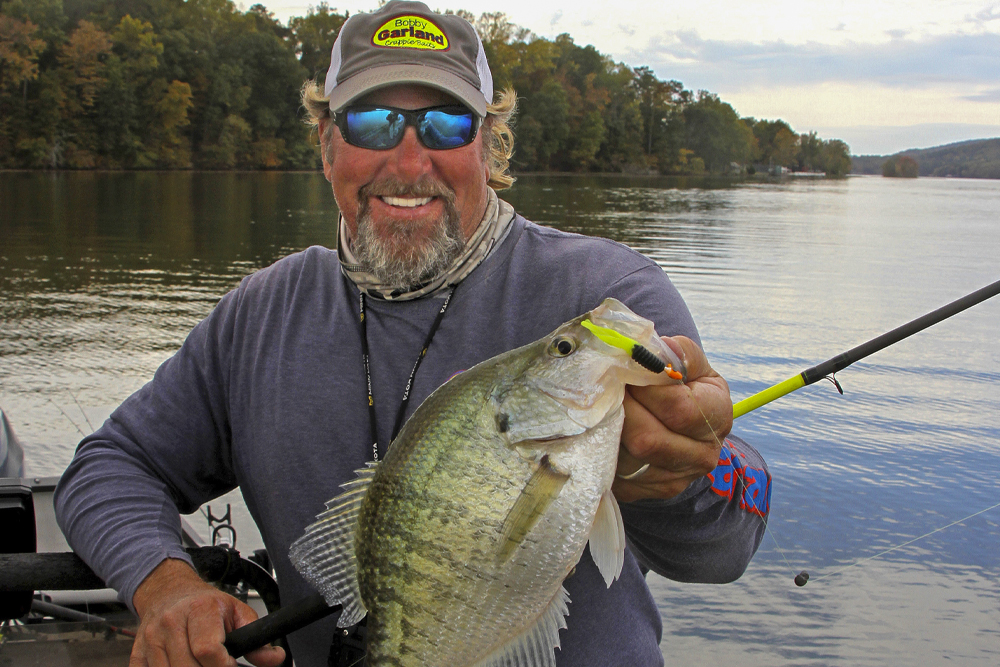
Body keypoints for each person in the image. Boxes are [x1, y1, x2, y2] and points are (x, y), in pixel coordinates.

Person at [54, 2, 770, 666]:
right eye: (371, 122)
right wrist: (165, 582)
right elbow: (110, 464)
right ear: (327, 145)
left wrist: (677, 473)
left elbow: (727, 545)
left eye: (445, 124)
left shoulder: (604, 301)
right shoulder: (260, 315)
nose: (406, 161)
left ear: (490, 146)